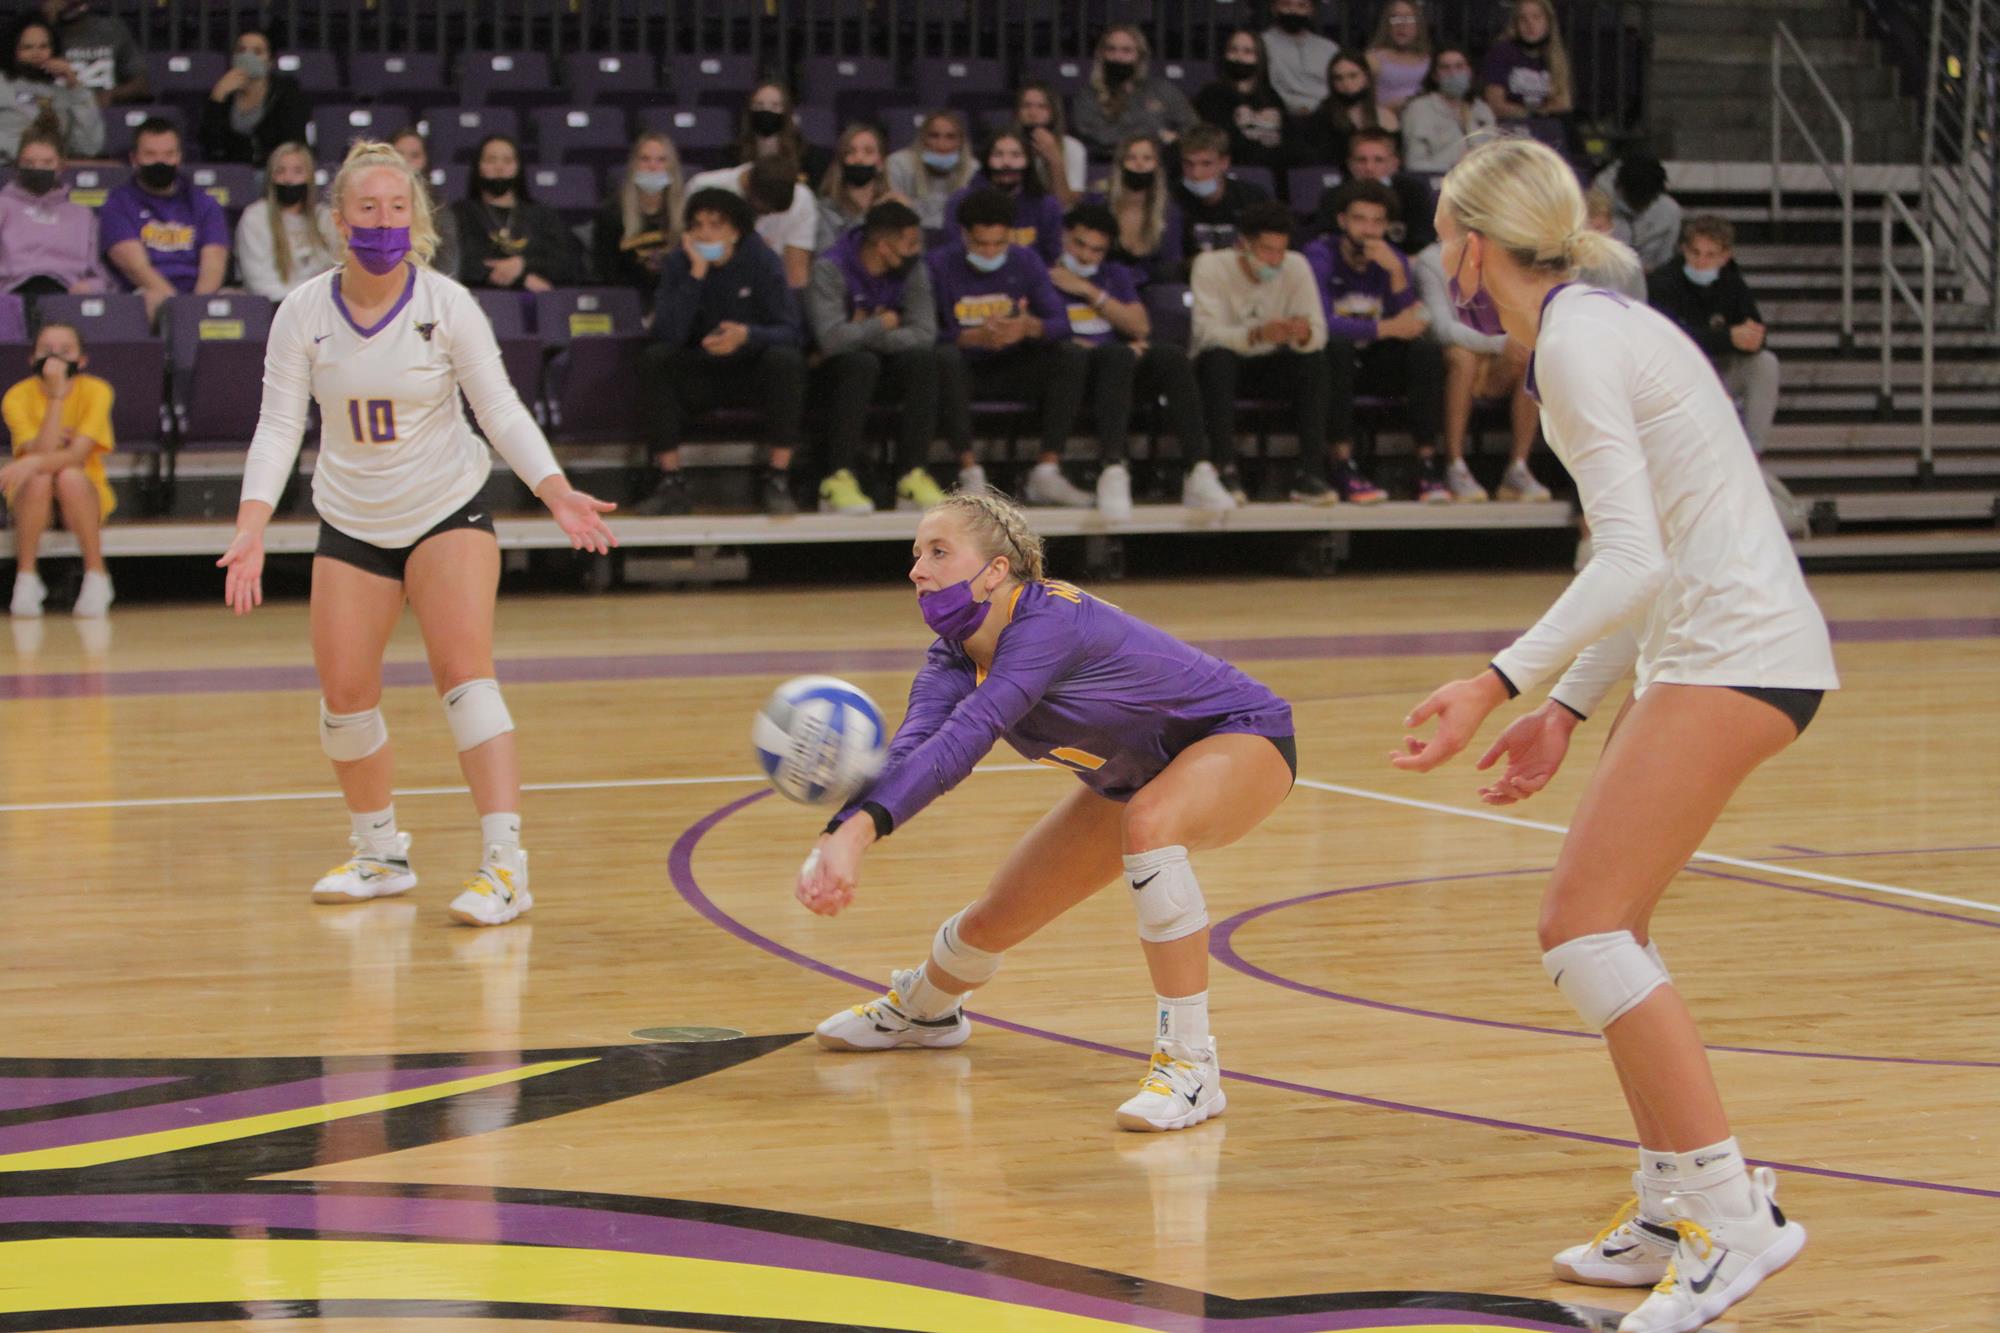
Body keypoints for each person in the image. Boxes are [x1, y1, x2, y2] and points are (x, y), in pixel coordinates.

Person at [1397, 136, 1832, 1333]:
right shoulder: (1592, 326)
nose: (1443, 260)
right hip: (1716, 644)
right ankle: (1669, 1202)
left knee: (1576, 922)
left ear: (1471, 246)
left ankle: (1731, 1217)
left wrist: (1492, 684)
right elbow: (1644, 560)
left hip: (1732, 651)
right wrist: (1567, 706)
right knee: (1609, 925)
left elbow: (1633, 559)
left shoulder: (1579, 343)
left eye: (1443, 239)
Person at [800, 489, 1296, 1135]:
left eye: (939, 551)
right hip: (1134, 772)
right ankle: (927, 1009)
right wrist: (839, 832)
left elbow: (967, 738)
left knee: (1150, 824)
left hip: (1243, 737)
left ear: (997, 570)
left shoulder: (1046, 623)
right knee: (995, 916)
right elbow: (914, 750)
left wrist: (859, 834)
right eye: (916, 553)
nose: (918, 569)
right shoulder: (954, 654)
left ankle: (1191, 1065)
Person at [217, 140, 617, 927]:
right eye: (367, 209)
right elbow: (276, 427)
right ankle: (379, 851)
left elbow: (499, 408)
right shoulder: (303, 311)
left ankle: (506, 866)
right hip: (351, 520)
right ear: (338, 220)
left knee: (465, 678)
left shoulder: (446, 304)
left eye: (398, 209)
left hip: (446, 508)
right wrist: (251, 525)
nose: (383, 222)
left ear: (419, 219)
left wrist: (556, 489)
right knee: (344, 699)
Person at [631, 187, 805, 518]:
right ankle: (671, 482)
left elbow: (790, 330)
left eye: (715, 225)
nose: (704, 233)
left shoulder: (762, 260)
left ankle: (778, 478)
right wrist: (696, 275)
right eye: (697, 226)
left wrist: (747, 335)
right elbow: (666, 334)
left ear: (736, 231)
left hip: (750, 371)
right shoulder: (680, 263)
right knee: (654, 360)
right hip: (700, 370)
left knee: (786, 361)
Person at [1052, 202, 1235, 517]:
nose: (1085, 256)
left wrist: (1087, 290)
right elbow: (1048, 332)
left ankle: (1198, 469)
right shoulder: (1045, 273)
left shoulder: (1114, 274)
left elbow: (1140, 326)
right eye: (1079, 244)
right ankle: (1113, 467)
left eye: (1096, 250)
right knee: (1116, 353)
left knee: (1170, 355)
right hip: (1070, 372)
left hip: (1118, 371)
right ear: (1064, 237)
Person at [929, 188, 1092, 507]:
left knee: (1070, 355)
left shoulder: (1026, 260)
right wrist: (970, 337)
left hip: (1013, 363)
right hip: (963, 368)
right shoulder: (937, 265)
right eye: (981, 244)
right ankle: (970, 473)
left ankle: (1046, 470)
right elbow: (924, 332)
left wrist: (1028, 327)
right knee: (941, 358)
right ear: (964, 235)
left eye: (998, 244)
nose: (990, 252)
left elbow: (1061, 323)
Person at [803, 199, 946, 516]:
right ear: (883, 247)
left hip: (884, 360)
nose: (916, 250)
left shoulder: (913, 269)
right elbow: (830, 339)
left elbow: (924, 332)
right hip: (831, 372)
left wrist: (864, 331)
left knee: (923, 360)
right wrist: (881, 322)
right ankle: (837, 478)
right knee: (859, 364)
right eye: (909, 243)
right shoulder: (830, 267)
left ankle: (912, 475)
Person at [1190, 199, 1331, 505]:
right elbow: (1205, 334)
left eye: (1281, 250)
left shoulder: (1295, 266)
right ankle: (1225, 469)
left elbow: (1318, 331)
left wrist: (1303, 335)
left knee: (1314, 362)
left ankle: (1311, 473)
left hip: (1272, 363)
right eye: (1267, 250)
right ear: (1243, 245)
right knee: (1217, 360)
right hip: (1225, 366)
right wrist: (1254, 335)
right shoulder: (1211, 265)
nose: (1275, 260)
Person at [1303, 179, 1432, 503]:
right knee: (1338, 349)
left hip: (1376, 361)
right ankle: (1342, 462)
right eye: (1360, 219)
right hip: (1331, 360)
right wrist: (1385, 328)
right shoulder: (1319, 255)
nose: (1369, 230)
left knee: (1426, 352)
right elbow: (1320, 322)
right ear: (1342, 221)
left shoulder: (1394, 259)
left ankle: (1426, 465)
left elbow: (1411, 325)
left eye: (1377, 221)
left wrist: (1398, 277)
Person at [1411, 238, 1547, 502]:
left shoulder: (1504, 255)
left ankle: (1518, 469)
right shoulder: (1432, 260)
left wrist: (1510, 341)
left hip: (1494, 359)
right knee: (1463, 357)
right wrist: (1499, 343)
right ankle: (1455, 466)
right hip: (1446, 356)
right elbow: (1440, 328)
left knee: (1530, 354)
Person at [2, 321, 114, 617]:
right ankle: (26, 578)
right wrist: (56, 398)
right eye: (47, 351)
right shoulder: (17, 396)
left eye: (65, 351)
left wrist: (31, 461)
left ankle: (97, 575)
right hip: (32, 496)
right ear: (32, 358)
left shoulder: (97, 391)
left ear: (82, 360)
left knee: (69, 476)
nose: (55, 359)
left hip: (83, 493)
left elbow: (77, 455)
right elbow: (43, 455)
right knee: (40, 479)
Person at [1647, 215, 1779, 457]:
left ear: (1724, 256)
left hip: (1719, 370)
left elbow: (1754, 327)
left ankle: (1751, 453)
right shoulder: (1663, 282)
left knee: (1765, 363)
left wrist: (1752, 338)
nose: (1700, 262)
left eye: (1710, 255)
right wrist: (1728, 338)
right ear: (1683, 250)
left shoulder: (1731, 282)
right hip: (1677, 375)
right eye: (1695, 253)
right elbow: (1667, 337)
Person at [99, 118, 228, 321]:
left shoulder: (204, 202)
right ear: (134, 158)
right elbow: (136, 268)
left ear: (179, 157)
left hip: (198, 293)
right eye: (150, 154)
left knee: (237, 303)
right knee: (152, 300)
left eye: (168, 154)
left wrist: (198, 307)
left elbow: (214, 262)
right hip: (144, 292)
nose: (160, 162)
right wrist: (180, 309)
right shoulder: (118, 203)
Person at [452, 134, 585, 291]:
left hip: (537, 300)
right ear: (478, 167)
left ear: (518, 167)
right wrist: (521, 279)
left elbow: (565, 261)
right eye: (491, 160)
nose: (499, 167)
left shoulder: (542, 214)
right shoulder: (460, 213)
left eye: (507, 161)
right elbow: (459, 262)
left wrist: (523, 264)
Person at [0, 118, 107, 297]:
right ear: (18, 164)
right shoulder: (3, 205)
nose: (38, 169)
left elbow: (100, 276)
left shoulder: (82, 214)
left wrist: (90, 287)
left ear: (61, 166)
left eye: (47, 163)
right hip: (11, 294)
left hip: (67, 294)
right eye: (29, 163)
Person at [687, 153, 819, 289]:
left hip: (769, 293)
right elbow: (690, 255)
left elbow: (796, 278)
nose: (768, 214)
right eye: (765, 209)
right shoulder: (703, 188)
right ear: (749, 185)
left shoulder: (802, 200)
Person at [235, 141, 340, 301]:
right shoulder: (255, 217)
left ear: (310, 177)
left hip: (323, 307)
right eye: (280, 171)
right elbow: (259, 283)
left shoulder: (325, 218)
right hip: (275, 308)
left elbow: (339, 271)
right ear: (271, 177)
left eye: (298, 171)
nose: (288, 179)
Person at [1071, 25, 1195, 157]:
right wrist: (1157, 134)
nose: (1117, 56)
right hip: (1107, 163)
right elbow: (1098, 135)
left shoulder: (1162, 90)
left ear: (1140, 56)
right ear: (1102, 54)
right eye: (1111, 49)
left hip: (1161, 164)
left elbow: (1192, 128)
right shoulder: (1088, 95)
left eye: (1127, 51)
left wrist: (1176, 138)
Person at [946, 129, 1064, 266]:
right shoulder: (961, 201)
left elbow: (1052, 257)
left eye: (1016, 155)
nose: (1006, 163)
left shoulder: (1047, 205)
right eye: (998, 155)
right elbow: (954, 252)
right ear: (987, 160)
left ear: (1028, 162)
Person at [1310, 129, 1437, 254]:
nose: (1369, 168)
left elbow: (1425, 238)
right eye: (1361, 160)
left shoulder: (1413, 192)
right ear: (1350, 164)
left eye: (1378, 160)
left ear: (1394, 163)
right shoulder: (1333, 196)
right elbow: (1326, 240)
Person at [591, 130, 683, 302]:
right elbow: (605, 274)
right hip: (626, 303)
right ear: (634, 164)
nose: (652, 166)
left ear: (672, 166)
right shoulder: (611, 214)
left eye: (661, 160)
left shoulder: (687, 213)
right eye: (645, 159)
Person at [196, 27, 309, 167]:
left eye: (257, 52)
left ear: (270, 61)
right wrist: (217, 99)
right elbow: (209, 144)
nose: (247, 57)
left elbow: (293, 143)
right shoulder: (223, 93)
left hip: (274, 171)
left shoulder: (287, 94)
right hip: (231, 171)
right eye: (241, 50)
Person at [1173, 122, 1272, 272]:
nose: (1196, 174)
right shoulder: (1172, 200)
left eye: (1206, 164)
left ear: (1224, 163)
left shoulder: (1253, 199)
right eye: (1189, 164)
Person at [0, 15, 100, 162]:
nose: (36, 54)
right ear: (12, 51)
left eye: (43, 47)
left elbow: (89, 147)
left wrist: (74, 84)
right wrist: (29, 156)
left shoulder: (66, 92)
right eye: (27, 47)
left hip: (54, 173)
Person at [1192, 29, 1290, 172]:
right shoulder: (1212, 94)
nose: (1239, 57)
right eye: (1233, 50)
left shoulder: (1271, 96)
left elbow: (1287, 137)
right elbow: (1221, 141)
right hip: (1236, 169)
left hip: (1273, 169)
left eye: (1247, 52)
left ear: (1259, 58)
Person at [1101, 134, 1183, 284]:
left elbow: (1171, 264)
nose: (1139, 164)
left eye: (1147, 159)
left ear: (1157, 166)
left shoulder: (1170, 212)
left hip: (1154, 292)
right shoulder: (1100, 205)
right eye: (1131, 158)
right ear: (1120, 164)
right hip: (1107, 287)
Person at [1400, 47, 1496, 174]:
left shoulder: (1482, 109)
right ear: (1435, 75)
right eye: (1445, 68)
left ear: (1469, 71)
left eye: (1459, 66)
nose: (1453, 73)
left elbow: (1495, 156)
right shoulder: (1418, 110)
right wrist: (1456, 165)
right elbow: (1414, 164)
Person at [38, 0, 144, 106]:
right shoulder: (38, 32)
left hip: (106, 114)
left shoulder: (113, 30)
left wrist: (111, 95)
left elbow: (142, 84)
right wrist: (47, 22)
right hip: (57, 111)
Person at [1483, 0, 1573, 124]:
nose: (1530, 24)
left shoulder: (1554, 55)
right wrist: (1533, 113)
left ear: (1548, 22)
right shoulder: (1501, 52)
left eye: (1536, 17)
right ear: (1515, 23)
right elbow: (1495, 104)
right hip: (1510, 126)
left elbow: (1563, 104)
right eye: (1523, 19)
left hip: (1545, 126)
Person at [1299, 53, 1397, 166]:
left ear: (1367, 77)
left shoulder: (1386, 117)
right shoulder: (1321, 118)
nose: (1346, 83)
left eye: (1353, 76)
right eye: (1338, 78)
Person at [885, 110, 975, 231]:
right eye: (934, 136)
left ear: (960, 142)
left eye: (951, 137)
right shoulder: (898, 164)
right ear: (923, 139)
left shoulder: (974, 169)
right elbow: (894, 213)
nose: (941, 143)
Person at [814, 122, 898, 251]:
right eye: (851, 152)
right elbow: (829, 258)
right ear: (841, 161)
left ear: (880, 163)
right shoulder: (824, 209)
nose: (859, 158)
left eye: (868, 152)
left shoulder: (893, 208)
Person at [391, 127, 458, 288]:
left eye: (414, 155)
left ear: (426, 162)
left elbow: (448, 269)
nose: (405, 162)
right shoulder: (370, 209)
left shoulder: (440, 212)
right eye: (399, 154)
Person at [1594, 152, 1681, 273]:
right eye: (1633, 200)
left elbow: (1665, 263)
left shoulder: (1670, 212)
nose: (1638, 206)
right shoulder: (1598, 203)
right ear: (1620, 189)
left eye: (1645, 201)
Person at [733, 81, 830, 186]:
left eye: (775, 106)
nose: (766, 110)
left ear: (786, 113)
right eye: (759, 105)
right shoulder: (733, 154)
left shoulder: (807, 156)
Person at [1262, 0, 1341, 118]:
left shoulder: (1329, 48)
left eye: (1302, 6)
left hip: (1327, 117)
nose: (1294, 11)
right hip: (1280, 117)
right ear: (1274, 8)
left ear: (1311, 11)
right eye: (1286, 5)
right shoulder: (1262, 44)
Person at [1016, 82, 1087, 202]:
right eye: (1026, 106)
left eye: (1042, 107)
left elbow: (1066, 205)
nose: (1033, 113)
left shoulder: (1072, 147)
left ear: (1054, 112)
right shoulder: (1008, 145)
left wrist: (1055, 159)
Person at [1366, 0, 1433, 116]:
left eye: (1409, 19)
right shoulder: (1373, 58)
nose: (1402, 25)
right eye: (1395, 18)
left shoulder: (1428, 59)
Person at [1582, 188, 1646, 299]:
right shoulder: (1559, 266)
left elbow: (1637, 309)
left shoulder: (1628, 265)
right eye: (1586, 230)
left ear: (1611, 225)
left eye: (1598, 228)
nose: (1594, 237)